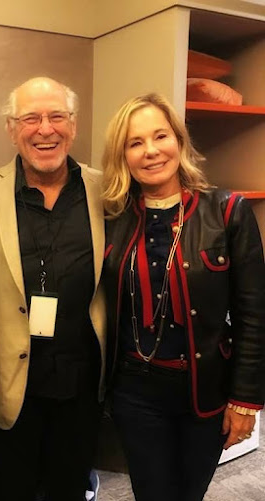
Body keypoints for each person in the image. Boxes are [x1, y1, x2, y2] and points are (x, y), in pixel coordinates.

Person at [101, 92, 265, 501]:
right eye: (135, 142)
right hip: (134, 392)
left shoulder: (227, 211)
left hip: (204, 389)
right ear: (123, 156)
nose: (151, 151)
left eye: (161, 136)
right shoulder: (112, 220)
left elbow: (254, 313)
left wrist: (246, 400)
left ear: (179, 140)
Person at [0, 77, 106, 501]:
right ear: (11, 128)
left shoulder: (107, 190)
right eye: (30, 118)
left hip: (82, 381)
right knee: (12, 489)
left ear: (73, 125)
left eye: (57, 116)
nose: (45, 129)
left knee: (70, 488)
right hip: (10, 383)